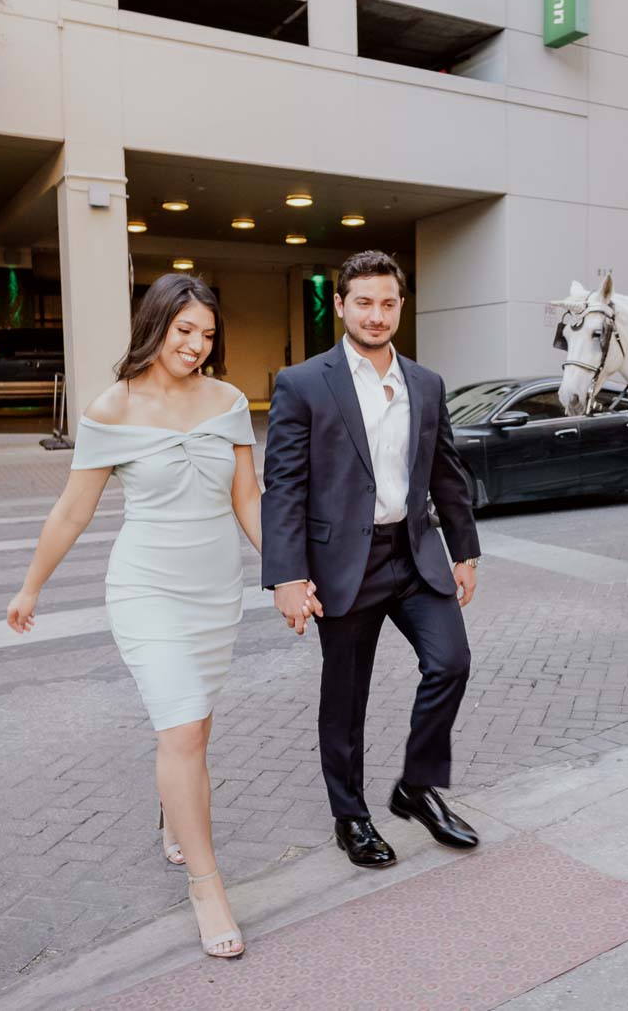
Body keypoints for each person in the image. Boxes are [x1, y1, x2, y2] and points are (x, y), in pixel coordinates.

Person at [6, 274, 306, 960]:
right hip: (146, 590)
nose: (197, 346)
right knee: (182, 729)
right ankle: (207, 886)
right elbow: (73, 510)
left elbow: (248, 501)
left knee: (193, 725)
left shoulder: (228, 401)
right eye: (185, 332)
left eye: (207, 335)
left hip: (214, 594)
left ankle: (175, 814)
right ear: (156, 325)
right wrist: (31, 588)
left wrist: (285, 572)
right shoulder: (112, 408)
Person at [261, 250, 483, 870]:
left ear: (401, 306)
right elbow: (285, 488)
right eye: (363, 302)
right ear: (339, 306)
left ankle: (415, 788)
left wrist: (463, 548)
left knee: (451, 662)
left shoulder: (426, 383)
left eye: (388, 303)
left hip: (413, 555)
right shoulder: (302, 384)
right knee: (346, 696)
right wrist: (286, 574)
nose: (376, 314)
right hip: (343, 566)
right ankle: (350, 816)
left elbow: (446, 472)